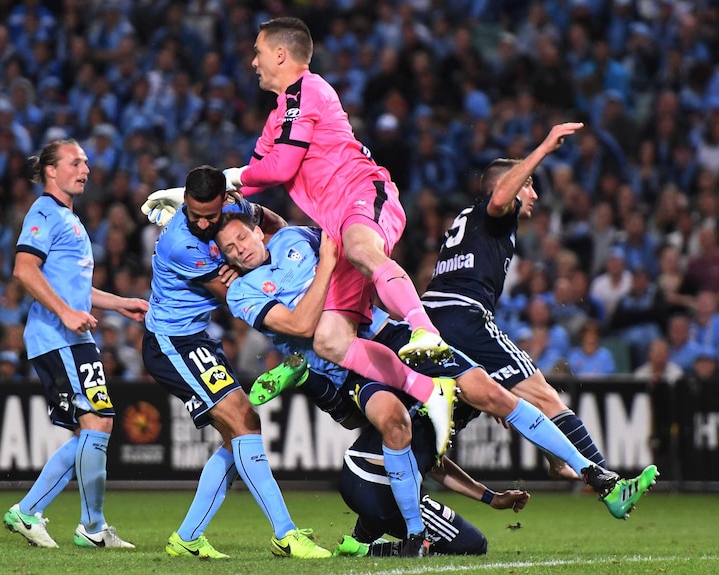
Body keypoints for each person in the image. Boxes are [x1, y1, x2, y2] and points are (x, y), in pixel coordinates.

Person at [213, 213, 659, 528]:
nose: (242, 249)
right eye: (231, 249)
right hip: (342, 367)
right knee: (387, 421)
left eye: (244, 237)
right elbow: (304, 325)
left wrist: (250, 204)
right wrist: (328, 266)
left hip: (389, 333)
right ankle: (404, 530)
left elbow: (303, 230)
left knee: (487, 392)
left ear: (256, 230)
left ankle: (594, 474)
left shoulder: (292, 239)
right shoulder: (241, 292)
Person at [219, 16, 458, 457]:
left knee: (360, 248)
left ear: (280, 54)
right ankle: (430, 391)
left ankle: (427, 335)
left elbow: (280, 169)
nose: (252, 61)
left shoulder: (309, 90)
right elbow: (251, 181)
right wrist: (191, 193)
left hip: (364, 195)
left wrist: (226, 177)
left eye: (257, 51)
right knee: (329, 341)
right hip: (337, 227)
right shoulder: (276, 117)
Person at [141, 165, 331, 559]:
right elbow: (236, 292)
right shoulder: (182, 243)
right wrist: (270, 263)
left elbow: (269, 223)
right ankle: (285, 533)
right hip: (171, 341)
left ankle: (187, 537)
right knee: (244, 418)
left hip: (197, 338)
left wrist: (277, 245)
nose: (205, 223)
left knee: (237, 433)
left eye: (212, 215)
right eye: (195, 215)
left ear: (225, 201)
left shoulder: (234, 208)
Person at [421, 123, 612, 474]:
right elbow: (498, 198)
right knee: (544, 395)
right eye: (529, 185)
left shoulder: (469, 219)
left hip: (428, 321)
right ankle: (605, 477)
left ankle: (391, 489)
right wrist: (542, 149)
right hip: (464, 316)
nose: (535, 195)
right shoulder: (495, 213)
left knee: (460, 413)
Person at [3, 139, 148, 549]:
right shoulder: (44, 211)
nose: (85, 168)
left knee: (95, 426)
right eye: (75, 162)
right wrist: (66, 314)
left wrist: (120, 304)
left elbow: (76, 287)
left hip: (74, 336)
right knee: (97, 422)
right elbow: (24, 269)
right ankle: (76, 523)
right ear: (51, 170)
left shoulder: (70, 217)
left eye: (85, 162)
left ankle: (81, 523)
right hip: (57, 336)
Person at [334, 394, 530, 558]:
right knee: (473, 545)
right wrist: (502, 401)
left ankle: (358, 539)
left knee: (401, 478)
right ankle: (366, 551)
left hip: (353, 472)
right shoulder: (455, 390)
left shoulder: (439, 386)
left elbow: (433, 463)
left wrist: (491, 497)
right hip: (382, 488)